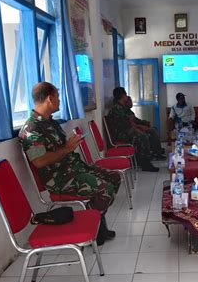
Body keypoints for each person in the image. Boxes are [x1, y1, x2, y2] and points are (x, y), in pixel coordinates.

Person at [19, 83, 119, 244]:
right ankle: (95, 231)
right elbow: (39, 161)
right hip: (60, 179)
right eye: (57, 97)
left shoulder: (50, 122)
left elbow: (62, 149)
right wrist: (67, 148)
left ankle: (97, 224)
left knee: (114, 178)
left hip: (74, 169)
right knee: (105, 189)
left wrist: (70, 146)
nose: (59, 100)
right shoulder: (32, 128)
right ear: (49, 99)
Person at [107, 87, 159, 172]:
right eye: (126, 95)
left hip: (126, 131)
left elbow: (132, 122)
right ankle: (145, 164)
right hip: (121, 134)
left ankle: (143, 159)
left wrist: (141, 127)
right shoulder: (117, 109)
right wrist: (140, 130)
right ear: (123, 96)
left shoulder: (122, 108)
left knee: (143, 134)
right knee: (142, 137)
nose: (127, 97)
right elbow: (127, 126)